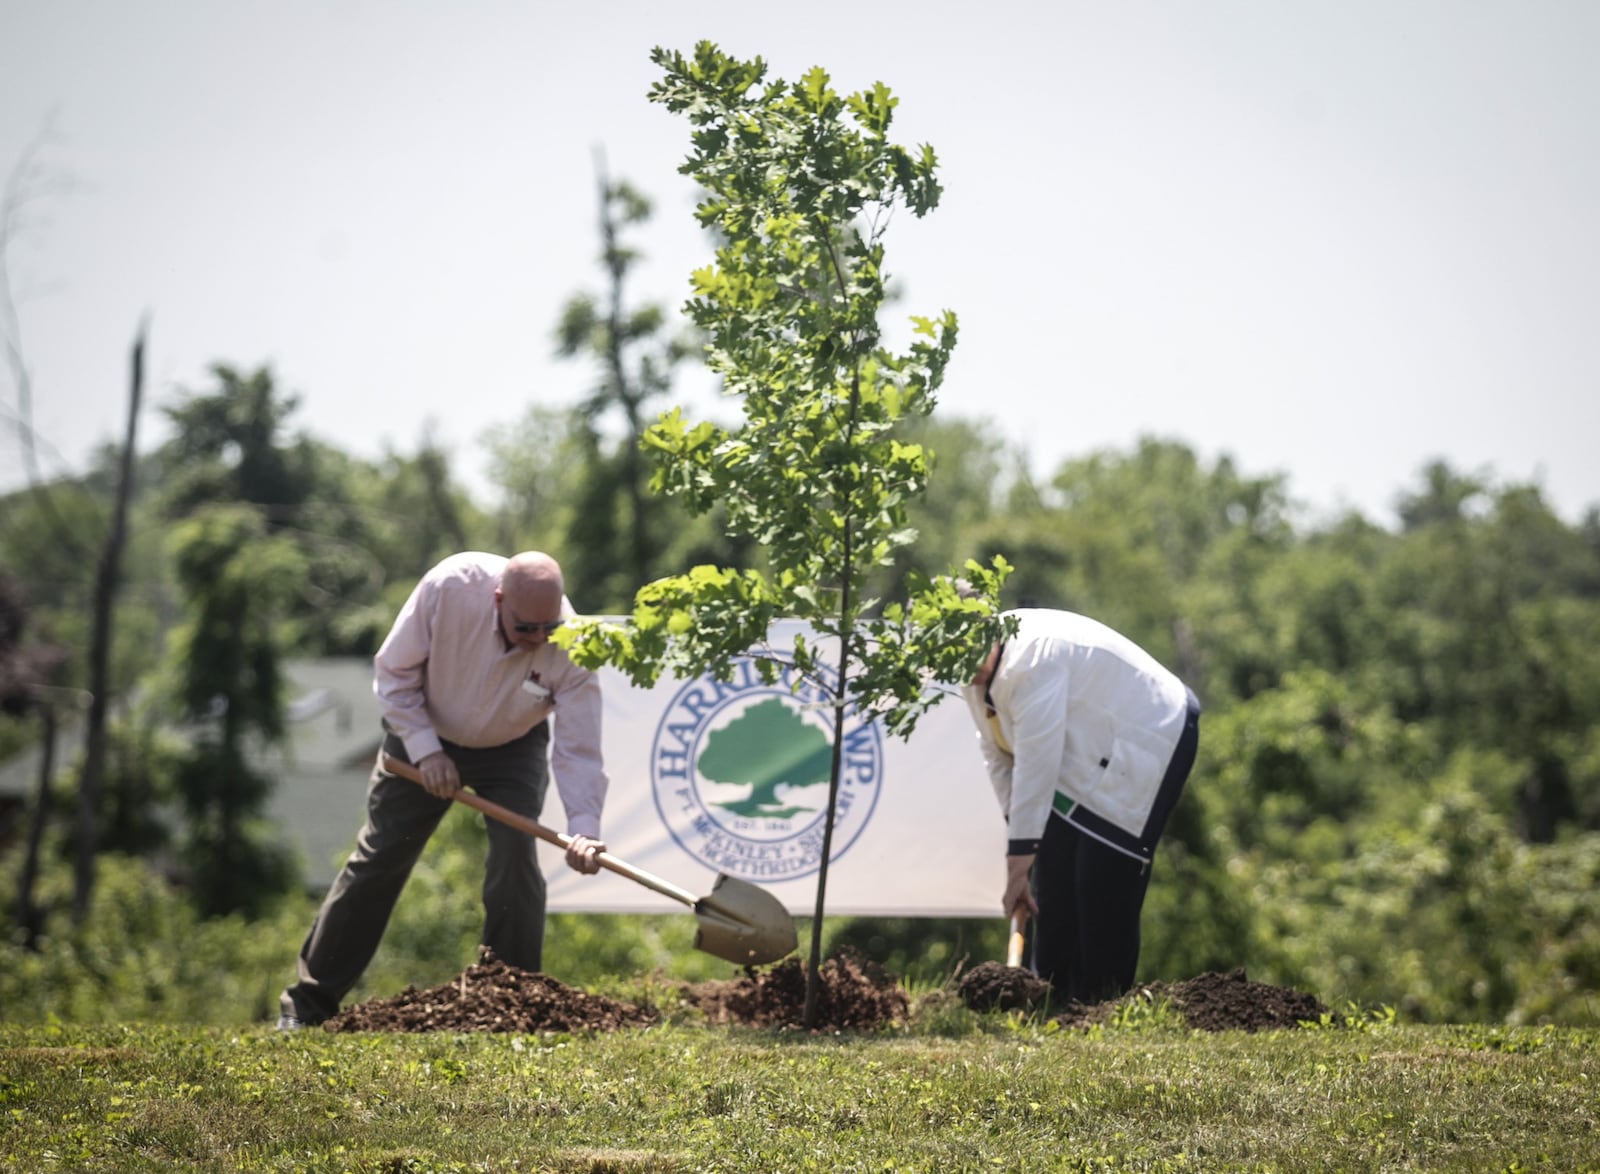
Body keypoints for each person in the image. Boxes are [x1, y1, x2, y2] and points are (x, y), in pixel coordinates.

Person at [277, 550, 609, 1029]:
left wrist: (584, 827)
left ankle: (511, 1005)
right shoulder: (449, 588)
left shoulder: (575, 644)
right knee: (381, 857)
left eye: (548, 628)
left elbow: (579, 748)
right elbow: (394, 672)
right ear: (498, 599)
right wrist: (427, 751)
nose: (539, 639)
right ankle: (307, 1006)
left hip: (512, 744)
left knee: (515, 855)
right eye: (526, 629)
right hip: (420, 731)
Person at [961, 605, 1201, 1007]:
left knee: (1100, 882)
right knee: (1051, 884)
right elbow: (996, 752)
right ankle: (1049, 1005)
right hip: (1080, 754)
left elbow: (1036, 767)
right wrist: (1024, 853)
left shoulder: (1032, 660)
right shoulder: (973, 674)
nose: (961, 660)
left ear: (990, 631)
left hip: (1143, 734)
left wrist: (1018, 864)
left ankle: (1101, 1011)